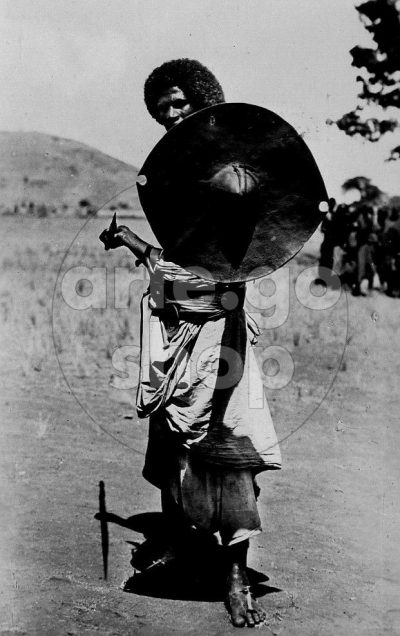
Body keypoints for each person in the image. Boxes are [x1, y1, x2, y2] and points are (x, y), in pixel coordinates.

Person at [100, 58, 281, 628]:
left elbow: (234, 257)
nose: (171, 115)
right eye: (162, 110)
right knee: (174, 439)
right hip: (175, 320)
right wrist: (131, 239)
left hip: (218, 328)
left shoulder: (236, 169)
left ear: (204, 98)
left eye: (180, 103)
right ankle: (180, 549)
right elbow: (178, 256)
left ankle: (233, 578)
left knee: (226, 441)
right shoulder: (175, 173)